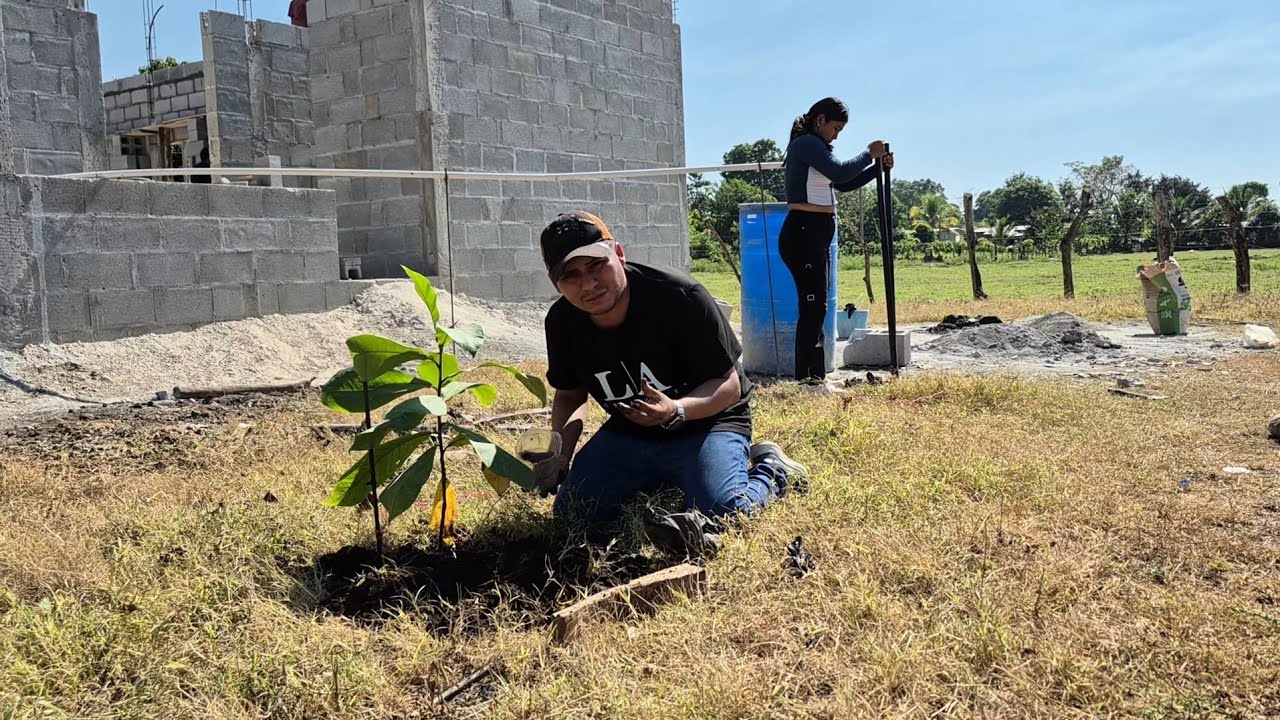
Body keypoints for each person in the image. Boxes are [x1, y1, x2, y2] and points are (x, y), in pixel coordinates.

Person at [533, 210, 809, 530]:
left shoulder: (677, 296)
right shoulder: (562, 323)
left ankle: (773, 471)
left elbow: (729, 384)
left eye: (597, 265)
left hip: (708, 422)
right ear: (557, 283)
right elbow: (569, 395)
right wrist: (560, 454)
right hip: (631, 430)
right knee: (573, 512)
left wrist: (676, 410)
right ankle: (668, 476)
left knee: (723, 513)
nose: (589, 284)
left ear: (619, 255)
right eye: (571, 276)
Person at [780, 97, 893, 385]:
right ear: (820, 120)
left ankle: (812, 379)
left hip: (814, 233)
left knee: (817, 307)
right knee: (813, 307)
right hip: (803, 232)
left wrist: (878, 168)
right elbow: (842, 171)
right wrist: (869, 153)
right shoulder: (806, 143)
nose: (836, 135)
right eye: (835, 128)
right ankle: (808, 381)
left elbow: (843, 183)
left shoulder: (817, 148)